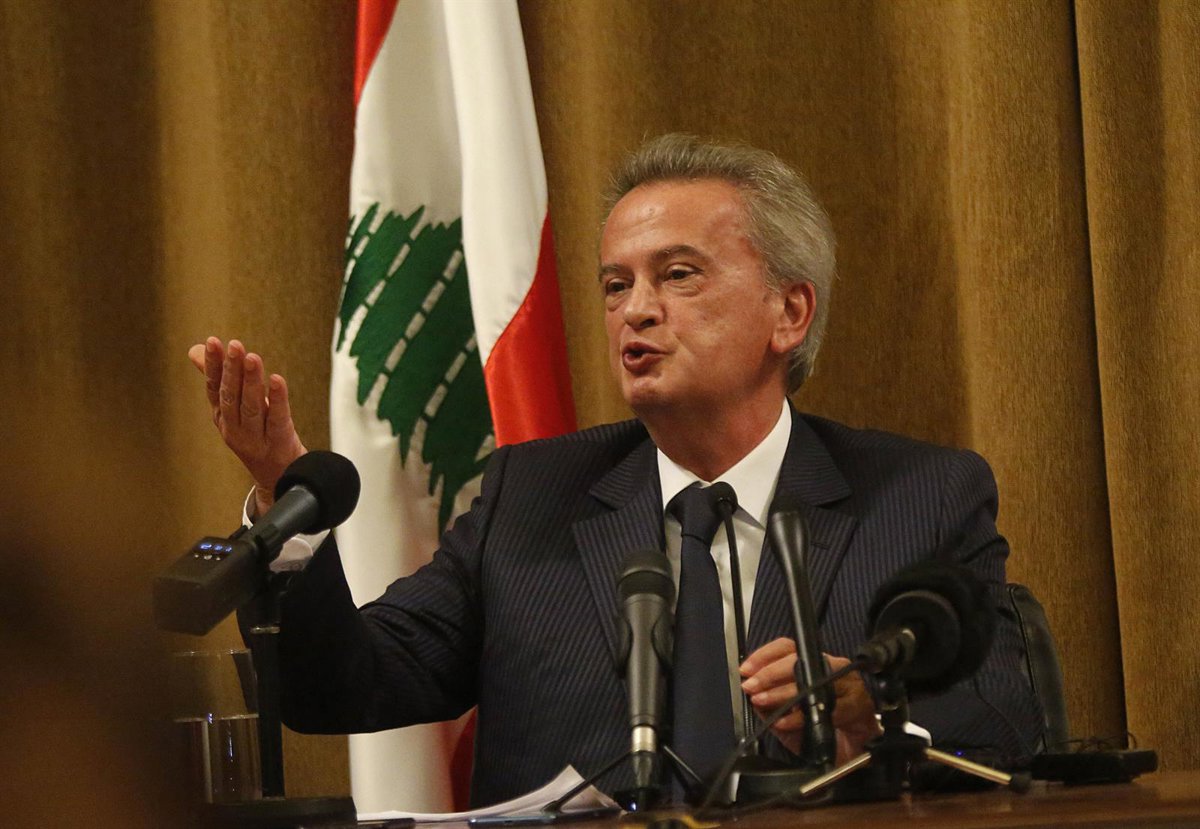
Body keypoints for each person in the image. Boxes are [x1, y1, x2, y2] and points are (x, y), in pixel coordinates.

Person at [190, 134, 1041, 807]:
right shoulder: (532, 497)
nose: (635, 310)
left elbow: (1009, 720)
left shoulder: (921, 495)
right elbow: (342, 687)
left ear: (789, 311)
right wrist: (285, 497)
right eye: (614, 284)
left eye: (678, 275)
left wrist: (875, 709)